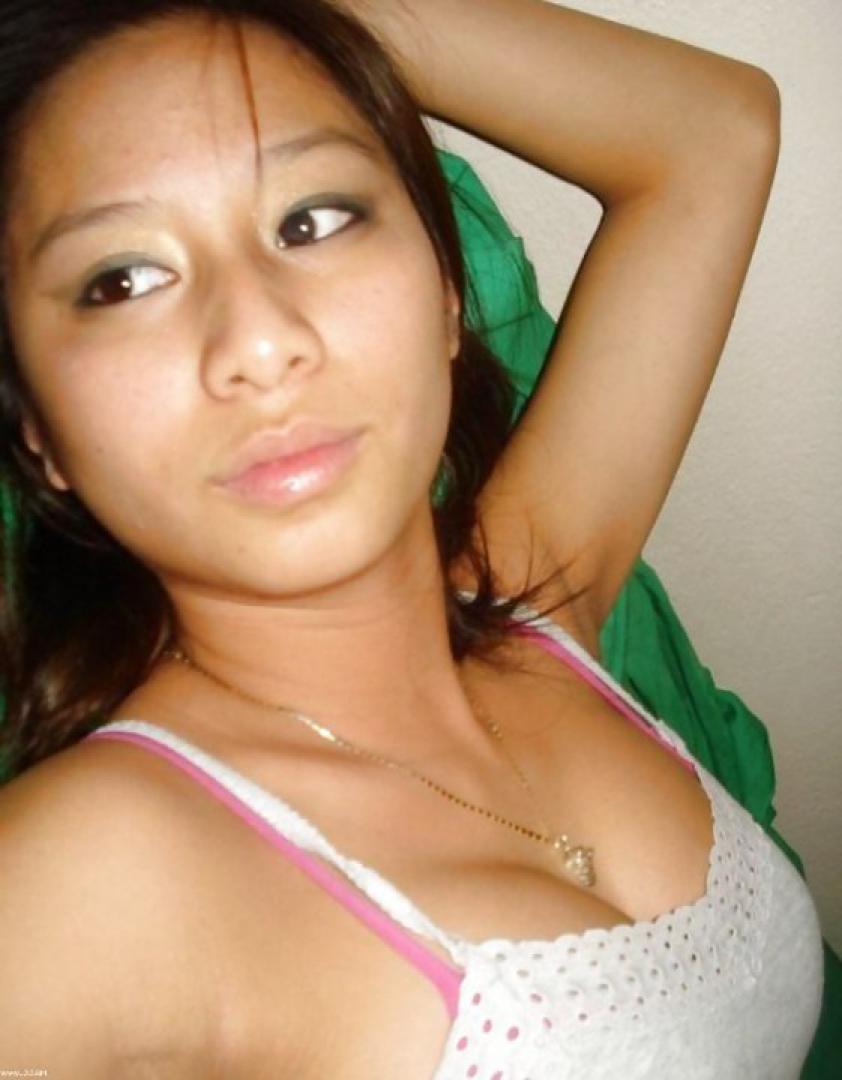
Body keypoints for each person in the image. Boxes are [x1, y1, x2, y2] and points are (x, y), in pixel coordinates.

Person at [0, 0, 824, 1075]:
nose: (259, 341)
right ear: (39, 432)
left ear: (444, 292)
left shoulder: (533, 605)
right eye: (122, 281)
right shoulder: (86, 872)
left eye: (312, 220)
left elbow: (713, 129)